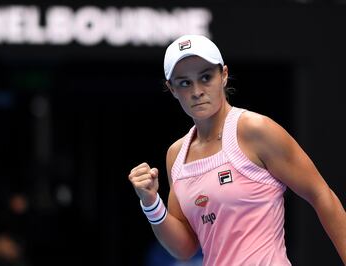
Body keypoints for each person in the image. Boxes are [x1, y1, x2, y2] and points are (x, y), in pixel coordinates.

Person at [128, 34, 346, 265]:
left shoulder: (255, 130)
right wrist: (151, 203)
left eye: (205, 77)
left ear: (223, 76)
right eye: (185, 82)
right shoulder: (176, 154)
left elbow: (321, 194)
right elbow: (185, 248)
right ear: (171, 89)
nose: (197, 91)